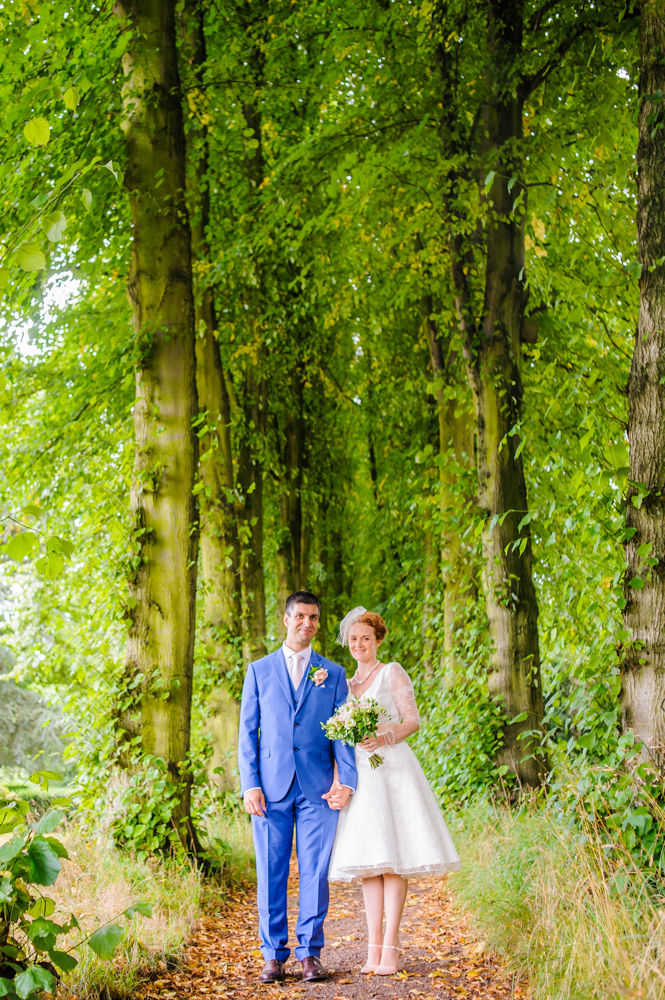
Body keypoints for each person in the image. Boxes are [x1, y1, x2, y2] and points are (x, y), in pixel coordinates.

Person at [328, 607, 460, 975]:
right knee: (371, 863)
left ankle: (393, 945)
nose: (359, 644)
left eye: (365, 639)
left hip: (392, 769)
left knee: (393, 860)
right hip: (361, 776)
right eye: (353, 639)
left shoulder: (392, 672)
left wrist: (384, 735)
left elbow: (412, 721)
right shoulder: (344, 684)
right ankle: (372, 948)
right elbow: (337, 736)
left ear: (378, 640)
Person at [238, 590, 358, 985]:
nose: (308, 624)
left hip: (318, 788)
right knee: (271, 871)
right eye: (301, 617)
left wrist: (348, 782)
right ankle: (273, 954)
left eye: (315, 618)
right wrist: (250, 783)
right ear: (286, 619)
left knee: (315, 872)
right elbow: (247, 734)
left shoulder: (333, 674)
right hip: (269, 789)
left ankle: (310, 953)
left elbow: (343, 735)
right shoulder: (258, 670)